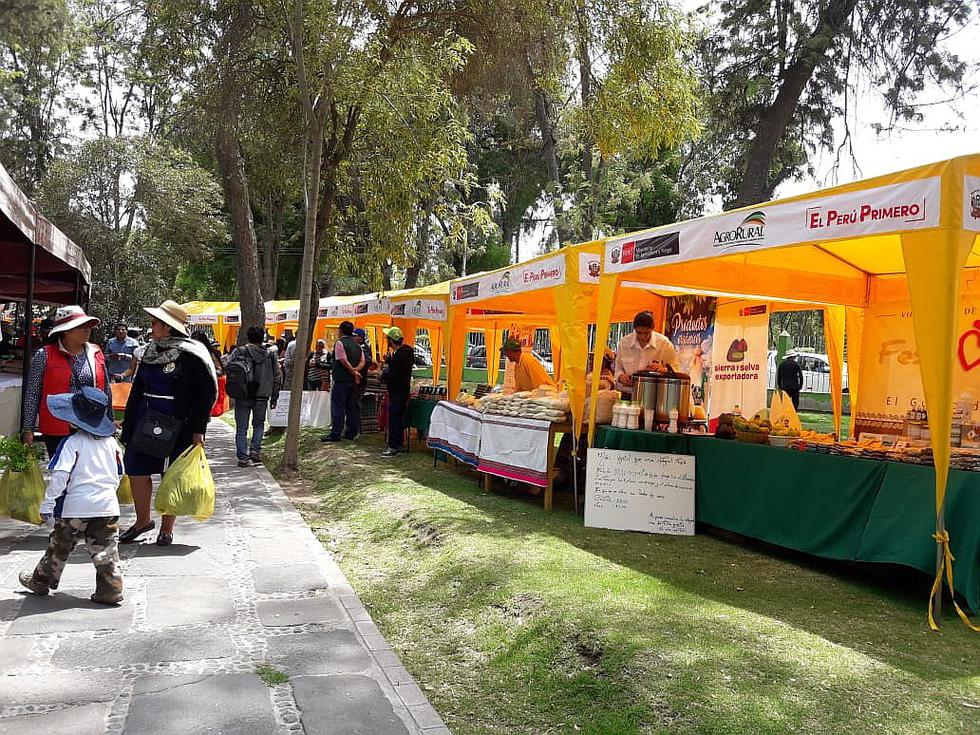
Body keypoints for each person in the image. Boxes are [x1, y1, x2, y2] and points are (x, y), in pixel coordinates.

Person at [120, 300, 217, 546]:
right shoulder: (148, 353)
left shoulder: (193, 355)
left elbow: (205, 394)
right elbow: (137, 390)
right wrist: (128, 425)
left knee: (171, 474)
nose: (151, 327)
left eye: (155, 323)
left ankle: (166, 528)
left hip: (178, 425)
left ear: (168, 327)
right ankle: (142, 521)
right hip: (145, 421)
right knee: (136, 469)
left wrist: (198, 429)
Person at [18, 387, 125, 605]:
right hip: (107, 506)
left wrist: (48, 503)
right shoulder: (112, 444)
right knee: (106, 550)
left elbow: (60, 476)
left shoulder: (72, 443)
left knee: (59, 545)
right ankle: (110, 589)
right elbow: (119, 473)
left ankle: (41, 580)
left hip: (75, 508)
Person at [22, 305, 112, 458]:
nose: (88, 330)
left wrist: (109, 421)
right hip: (58, 425)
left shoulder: (95, 352)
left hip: (91, 425)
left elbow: (106, 389)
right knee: (62, 467)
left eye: (88, 326)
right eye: (82, 326)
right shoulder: (44, 355)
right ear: (66, 331)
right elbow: (33, 393)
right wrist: (28, 428)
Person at [229, 326, 281, 467]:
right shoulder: (270, 354)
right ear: (262, 337)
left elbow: (230, 369)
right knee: (258, 425)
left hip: (243, 395)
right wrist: (274, 396)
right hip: (262, 396)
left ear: (248, 336)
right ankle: (255, 451)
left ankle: (242, 457)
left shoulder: (239, 351)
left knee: (241, 428)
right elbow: (277, 376)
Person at [614, 311, 678, 396]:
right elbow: (618, 369)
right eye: (639, 333)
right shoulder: (624, 343)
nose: (643, 337)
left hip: (654, 395)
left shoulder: (664, 343)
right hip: (627, 393)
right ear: (634, 329)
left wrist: (663, 369)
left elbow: (675, 369)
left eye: (646, 333)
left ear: (652, 328)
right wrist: (620, 377)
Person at [322, 321, 365, 442]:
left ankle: (336, 433)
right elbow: (363, 361)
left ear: (340, 331)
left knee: (338, 407)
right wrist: (356, 371)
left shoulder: (340, 343)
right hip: (353, 382)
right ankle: (351, 432)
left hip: (341, 380)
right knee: (351, 408)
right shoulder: (357, 345)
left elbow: (342, 360)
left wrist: (352, 371)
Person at [380, 326, 415, 458]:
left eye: (387, 338)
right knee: (399, 419)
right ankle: (399, 444)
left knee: (394, 419)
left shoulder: (400, 356)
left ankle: (393, 446)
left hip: (397, 391)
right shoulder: (404, 354)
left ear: (391, 340)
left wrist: (383, 375)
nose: (386, 340)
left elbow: (396, 375)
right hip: (403, 391)